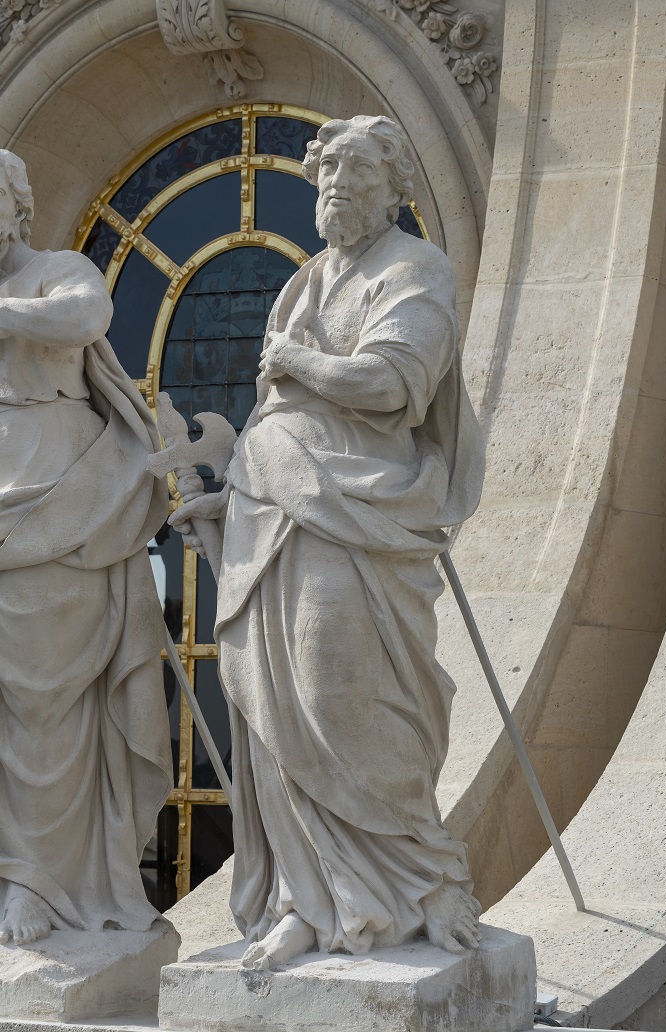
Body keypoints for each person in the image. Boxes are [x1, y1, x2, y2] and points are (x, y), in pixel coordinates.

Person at [171, 115, 485, 969]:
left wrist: (299, 364)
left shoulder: (415, 269)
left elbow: (393, 384)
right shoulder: (304, 281)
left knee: (338, 693)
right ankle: (305, 906)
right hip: (272, 504)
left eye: (352, 171)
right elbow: (272, 413)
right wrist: (228, 504)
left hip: (361, 511)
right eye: (325, 172)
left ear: (394, 188)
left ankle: (416, 884)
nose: (334, 186)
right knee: (268, 709)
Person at [0, 151, 172, 945]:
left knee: (47, 706)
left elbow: (86, 317)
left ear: (16, 210)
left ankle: (42, 882)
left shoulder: (55, 270)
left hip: (58, 497)